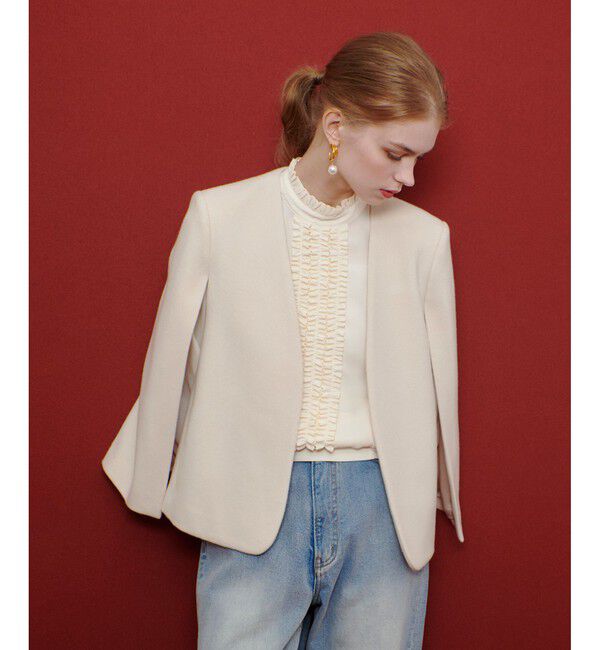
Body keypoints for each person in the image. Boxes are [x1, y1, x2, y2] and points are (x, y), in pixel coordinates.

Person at [101, 31, 465, 649]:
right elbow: (174, 359)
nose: (407, 177)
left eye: (418, 161)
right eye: (395, 153)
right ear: (335, 126)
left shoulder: (424, 239)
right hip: (250, 503)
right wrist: (148, 475)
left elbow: (437, 386)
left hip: (383, 511)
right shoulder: (220, 216)